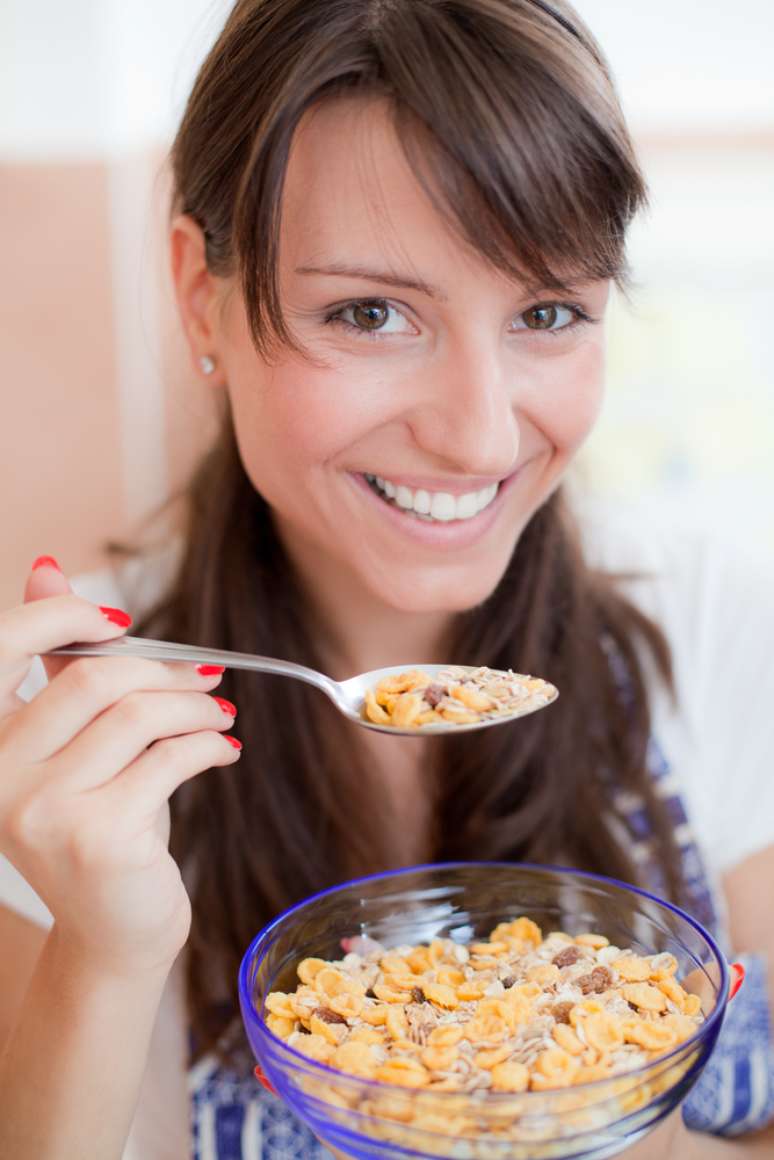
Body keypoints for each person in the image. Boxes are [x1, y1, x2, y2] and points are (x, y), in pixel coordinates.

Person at [1, 1, 772, 1157]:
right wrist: (106, 948)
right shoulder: (71, 741)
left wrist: (600, 1118)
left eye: (549, 311)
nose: (477, 436)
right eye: (371, 313)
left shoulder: (713, 624)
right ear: (204, 296)